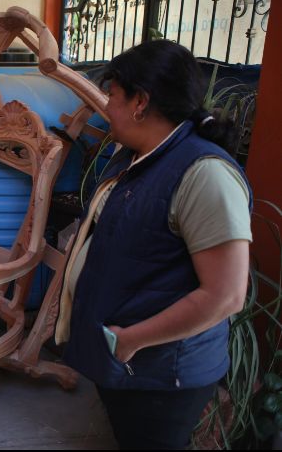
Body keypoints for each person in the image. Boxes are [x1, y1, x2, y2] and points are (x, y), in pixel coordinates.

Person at [54, 39, 253, 449]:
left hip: (163, 375)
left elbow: (226, 294)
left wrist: (130, 341)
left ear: (140, 102)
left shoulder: (204, 175)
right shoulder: (139, 157)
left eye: (112, 95)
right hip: (129, 365)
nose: (106, 107)